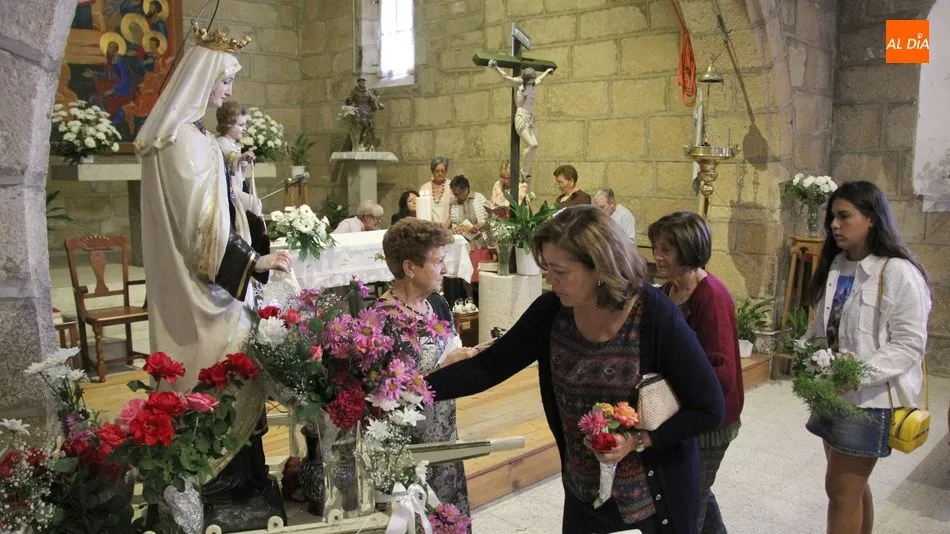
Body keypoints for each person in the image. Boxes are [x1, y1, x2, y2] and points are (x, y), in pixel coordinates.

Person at [426, 205, 725, 534]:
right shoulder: (552, 312)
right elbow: (488, 368)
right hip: (585, 494)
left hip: (652, 501)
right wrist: (414, 392)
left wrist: (641, 439)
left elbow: (709, 408)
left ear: (599, 266)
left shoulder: (653, 314)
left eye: (560, 271)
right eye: (547, 269)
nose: (549, 280)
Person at [135, 26, 290, 527]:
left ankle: (243, 478)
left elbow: (219, 213)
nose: (226, 91)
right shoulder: (181, 140)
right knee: (213, 378)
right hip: (205, 293)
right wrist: (256, 263)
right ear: (202, 79)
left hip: (216, 291)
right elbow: (200, 234)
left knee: (229, 376)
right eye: (223, 81)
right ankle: (216, 485)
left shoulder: (194, 136)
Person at [803, 180, 931, 534]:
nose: (834, 225)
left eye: (844, 216)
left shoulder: (898, 272)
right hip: (832, 390)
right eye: (832, 217)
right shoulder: (836, 266)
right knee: (852, 489)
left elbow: (909, 344)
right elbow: (822, 325)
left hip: (868, 399)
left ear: (872, 219)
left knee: (840, 491)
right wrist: (807, 353)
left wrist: (855, 374)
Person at [648, 212, 743, 534]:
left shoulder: (711, 297)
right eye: (656, 247)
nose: (657, 256)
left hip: (707, 422)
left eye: (667, 249)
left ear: (689, 250)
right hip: (679, 417)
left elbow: (722, 375)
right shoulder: (667, 291)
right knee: (696, 491)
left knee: (685, 505)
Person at [379, 218, 477, 525]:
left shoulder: (438, 304)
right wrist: (444, 366)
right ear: (409, 267)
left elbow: (452, 350)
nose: (445, 269)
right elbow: (384, 395)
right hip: (409, 447)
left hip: (446, 435)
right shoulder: (382, 320)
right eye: (438, 262)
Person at [486, 60, 554, 181]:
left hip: (530, 118)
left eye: (533, 79)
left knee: (535, 145)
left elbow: (540, 80)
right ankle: (524, 171)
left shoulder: (532, 85)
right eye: (531, 79)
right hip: (521, 117)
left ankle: (524, 171)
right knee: (532, 144)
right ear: (526, 78)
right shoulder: (519, 84)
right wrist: (496, 68)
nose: (533, 81)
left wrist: (547, 73)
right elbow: (506, 78)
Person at [448, 175, 491, 299]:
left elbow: (488, 219)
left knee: (481, 275)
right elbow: (455, 222)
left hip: (480, 242)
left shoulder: (479, 198)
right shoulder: (454, 203)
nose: (456, 196)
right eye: (454, 193)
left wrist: (477, 226)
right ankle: (470, 300)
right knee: (467, 275)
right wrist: (457, 229)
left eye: (458, 193)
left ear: (466, 189)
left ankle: (484, 300)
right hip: (466, 243)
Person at [215, 100, 261, 216]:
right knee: (254, 203)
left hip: (236, 188)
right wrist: (240, 158)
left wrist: (243, 164)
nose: (244, 129)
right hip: (227, 191)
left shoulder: (233, 144)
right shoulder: (221, 142)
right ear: (228, 124)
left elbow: (237, 172)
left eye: (245, 125)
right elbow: (229, 157)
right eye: (241, 125)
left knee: (254, 203)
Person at [345, 77, 384, 150]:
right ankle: (359, 143)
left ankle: (367, 143)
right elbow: (349, 100)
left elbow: (371, 100)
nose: (363, 83)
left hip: (367, 111)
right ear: (358, 82)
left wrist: (377, 103)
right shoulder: (354, 91)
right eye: (362, 82)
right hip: (359, 110)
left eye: (364, 82)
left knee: (370, 126)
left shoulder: (367, 91)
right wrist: (349, 100)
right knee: (361, 126)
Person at [418, 156, 453, 227]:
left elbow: (455, 210)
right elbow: (421, 209)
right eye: (437, 171)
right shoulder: (424, 188)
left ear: (446, 171)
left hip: (448, 227)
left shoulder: (452, 186)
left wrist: (445, 228)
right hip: (429, 228)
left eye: (442, 171)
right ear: (432, 171)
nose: (440, 173)